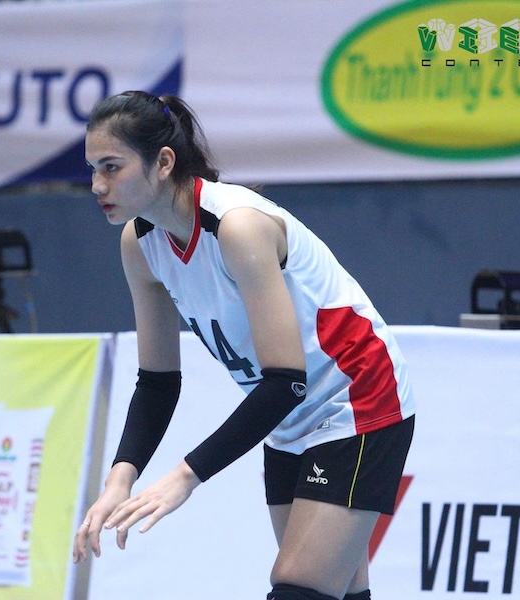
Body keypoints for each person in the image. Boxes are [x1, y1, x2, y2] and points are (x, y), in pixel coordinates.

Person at [73, 90, 416, 600]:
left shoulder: (238, 226)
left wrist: (185, 476)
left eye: (112, 167)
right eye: (92, 170)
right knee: (337, 593)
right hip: (289, 421)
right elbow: (157, 383)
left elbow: (286, 381)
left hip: (356, 397)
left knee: (297, 587)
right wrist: (119, 480)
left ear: (163, 162)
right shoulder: (139, 245)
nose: (97, 185)